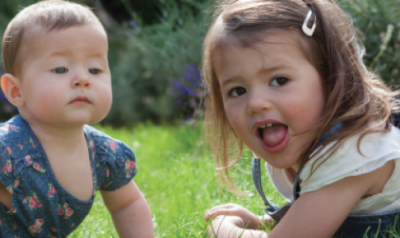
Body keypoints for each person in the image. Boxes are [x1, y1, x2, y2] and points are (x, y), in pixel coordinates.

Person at [202, 0, 400, 237]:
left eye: (279, 80)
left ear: (330, 78)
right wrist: (263, 222)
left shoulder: (355, 152)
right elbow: (322, 213)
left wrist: (222, 229)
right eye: (237, 91)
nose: (255, 104)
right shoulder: (296, 137)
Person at [0, 0, 154, 237]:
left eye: (94, 69)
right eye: (61, 69)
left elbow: (127, 204)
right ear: (16, 92)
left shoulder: (104, 155)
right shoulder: (7, 148)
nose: (83, 79)